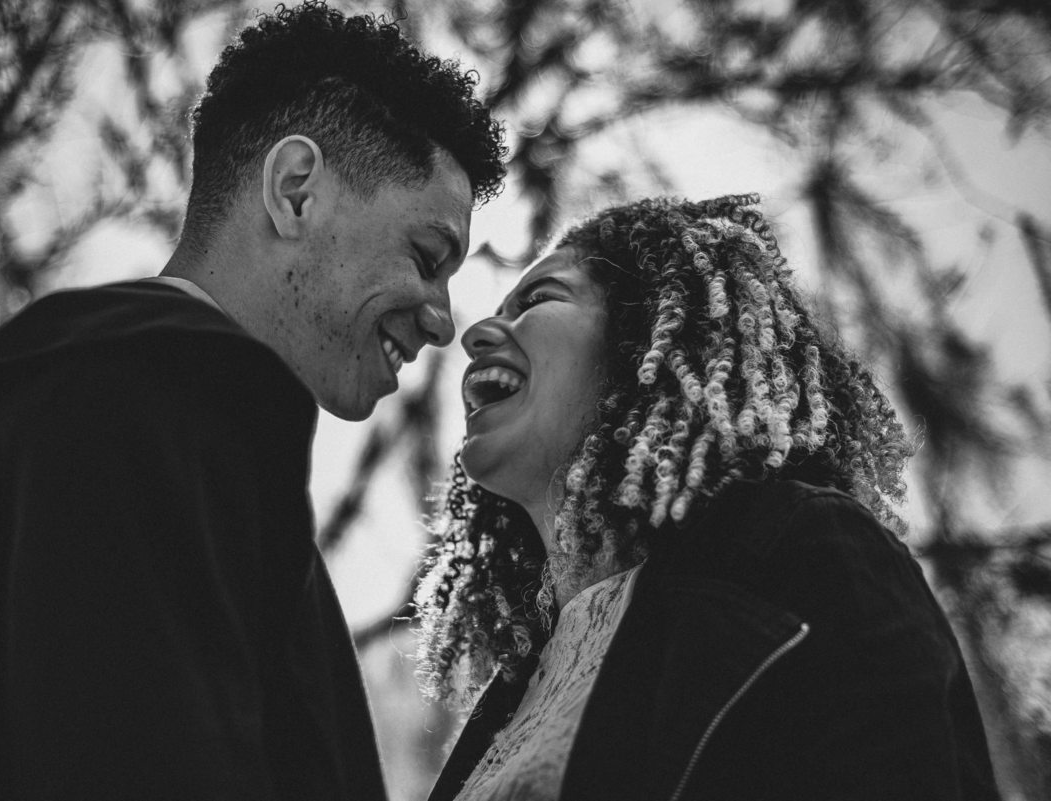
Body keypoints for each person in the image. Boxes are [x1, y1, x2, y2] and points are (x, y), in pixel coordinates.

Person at [0, 3, 505, 799]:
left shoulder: (128, 435)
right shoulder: (139, 410)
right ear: (297, 190)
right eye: (426, 254)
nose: (443, 319)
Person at [415, 195, 1000, 801]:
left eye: (538, 299)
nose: (478, 333)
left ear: (646, 339)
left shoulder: (801, 551)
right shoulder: (514, 694)